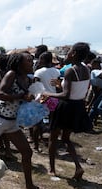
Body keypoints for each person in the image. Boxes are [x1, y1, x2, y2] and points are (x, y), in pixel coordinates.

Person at [0, 52, 42, 189]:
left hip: (12, 123)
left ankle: (29, 186)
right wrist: (20, 96)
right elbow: (0, 94)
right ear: (19, 63)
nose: (31, 63)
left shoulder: (27, 79)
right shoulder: (11, 75)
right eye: (28, 61)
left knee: (27, 152)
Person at [42, 42, 91, 181]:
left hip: (66, 106)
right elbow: (78, 88)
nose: (68, 53)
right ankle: (78, 166)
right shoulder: (86, 69)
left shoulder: (70, 70)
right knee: (66, 138)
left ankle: (52, 168)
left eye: (69, 51)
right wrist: (59, 85)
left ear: (74, 53)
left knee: (53, 137)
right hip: (78, 106)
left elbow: (66, 94)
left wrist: (48, 94)